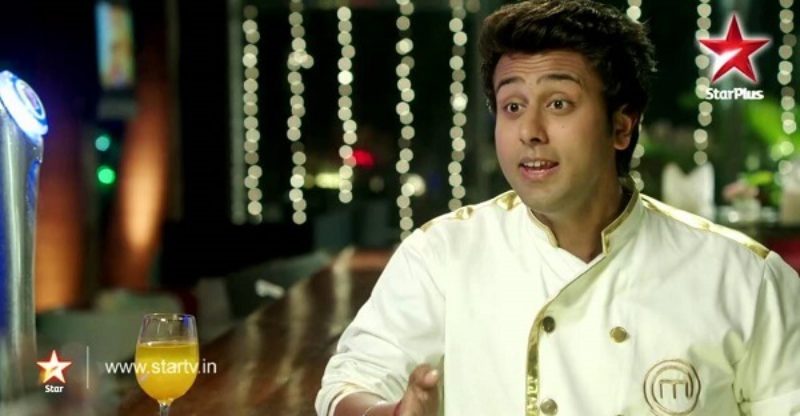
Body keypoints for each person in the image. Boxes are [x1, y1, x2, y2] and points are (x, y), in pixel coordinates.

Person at [316, 0, 800, 415]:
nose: (530, 131)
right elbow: (351, 382)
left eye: (559, 104)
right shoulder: (442, 254)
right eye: (512, 106)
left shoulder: (746, 278)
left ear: (622, 126)